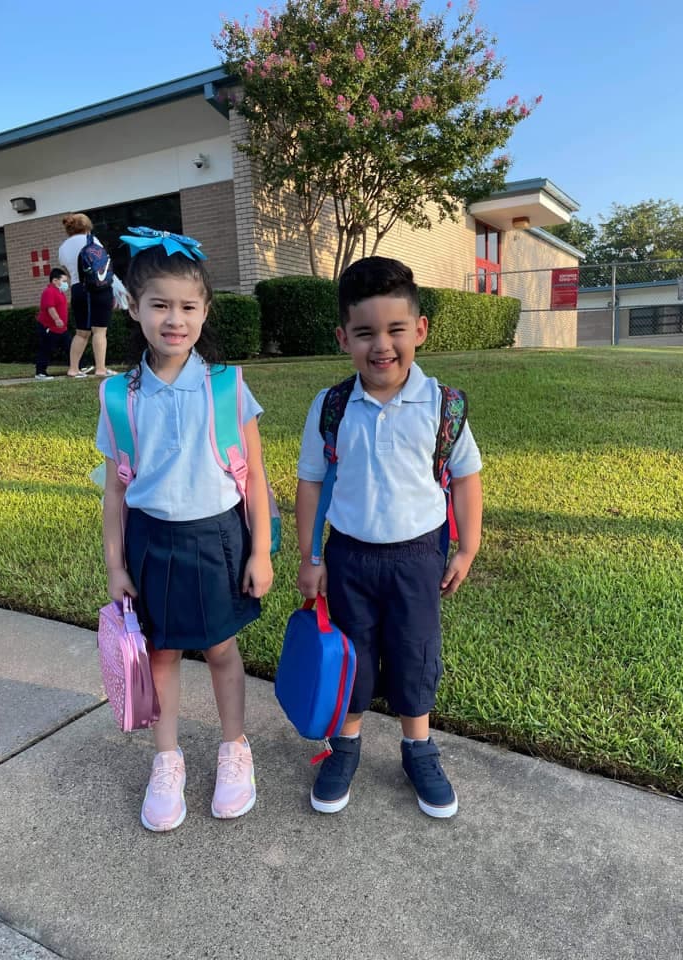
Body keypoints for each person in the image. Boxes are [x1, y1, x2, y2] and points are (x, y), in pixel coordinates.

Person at [96, 228, 274, 832]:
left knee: (222, 649)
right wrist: (117, 565)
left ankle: (234, 750)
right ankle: (166, 759)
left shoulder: (227, 385)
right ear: (133, 307)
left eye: (188, 306)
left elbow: (255, 479)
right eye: (160, 305)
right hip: (153, 541)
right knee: (163, 654)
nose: (175, 319)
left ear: (204, 311)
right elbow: (117, 488)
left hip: (219, 538)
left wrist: (263, 551)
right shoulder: (119, 395)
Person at [296, 256, 483, 819]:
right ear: (343, 338)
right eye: (365, 333)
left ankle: (417, 746)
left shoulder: (442, 405)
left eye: (396, 330)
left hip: (418, 557)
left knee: (415, 652)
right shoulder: (332, 407)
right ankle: (345, 747)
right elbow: (310, 483)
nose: (382, 346)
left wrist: (467, 546)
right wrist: (310, 556)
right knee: (353, 656)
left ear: (419, 330)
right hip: (348, 555)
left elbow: (467, 478)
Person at [58, 212, 115, 378]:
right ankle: (100, 369)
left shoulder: (63, 247)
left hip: (77, 289)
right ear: (86, 226)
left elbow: (68, 271)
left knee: (81, 332)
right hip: (98, 288)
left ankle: (73, 369)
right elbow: (102, 265)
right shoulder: (92, 241)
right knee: (99, 331)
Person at [34, 268, 72, 380]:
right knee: (46, 349)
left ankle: (79, 366)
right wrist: (57, 319)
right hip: (49, 327)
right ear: (55, 280)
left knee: (70, 347)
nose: (66, 284)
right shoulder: (49, 291)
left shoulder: (59, 292)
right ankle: (40, 372)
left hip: (61, 329)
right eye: (64, 281)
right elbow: (50, 307)